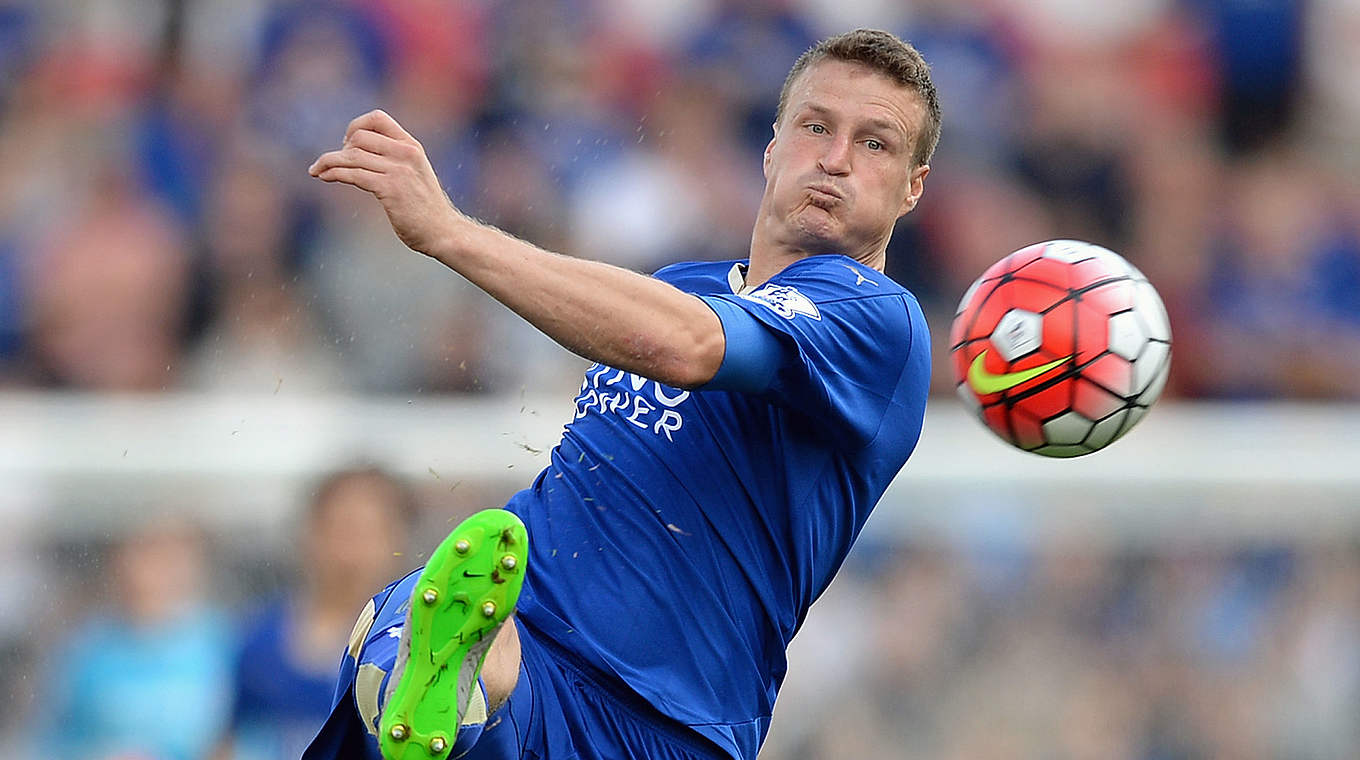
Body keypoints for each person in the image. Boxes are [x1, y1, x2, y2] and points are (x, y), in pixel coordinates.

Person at [302, 28, 939, 760]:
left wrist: (449, 231)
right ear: (771, 148)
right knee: (397, 623)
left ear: (913, 186)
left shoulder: (877, 321)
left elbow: (690, 346)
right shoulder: (677, 286)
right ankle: (476, 681)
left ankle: (469, 692)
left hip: (662, 721)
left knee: (411, 652)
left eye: (875, 144)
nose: (833, 159)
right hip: (535, 642)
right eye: (816, 126)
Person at [216, 466, 414, 760]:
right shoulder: (260, 641)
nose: (351, 553)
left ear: (397, 541)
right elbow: (227, 741)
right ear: (310, 532)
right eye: (341, 529)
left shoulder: (413, 647)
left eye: (369, 533)